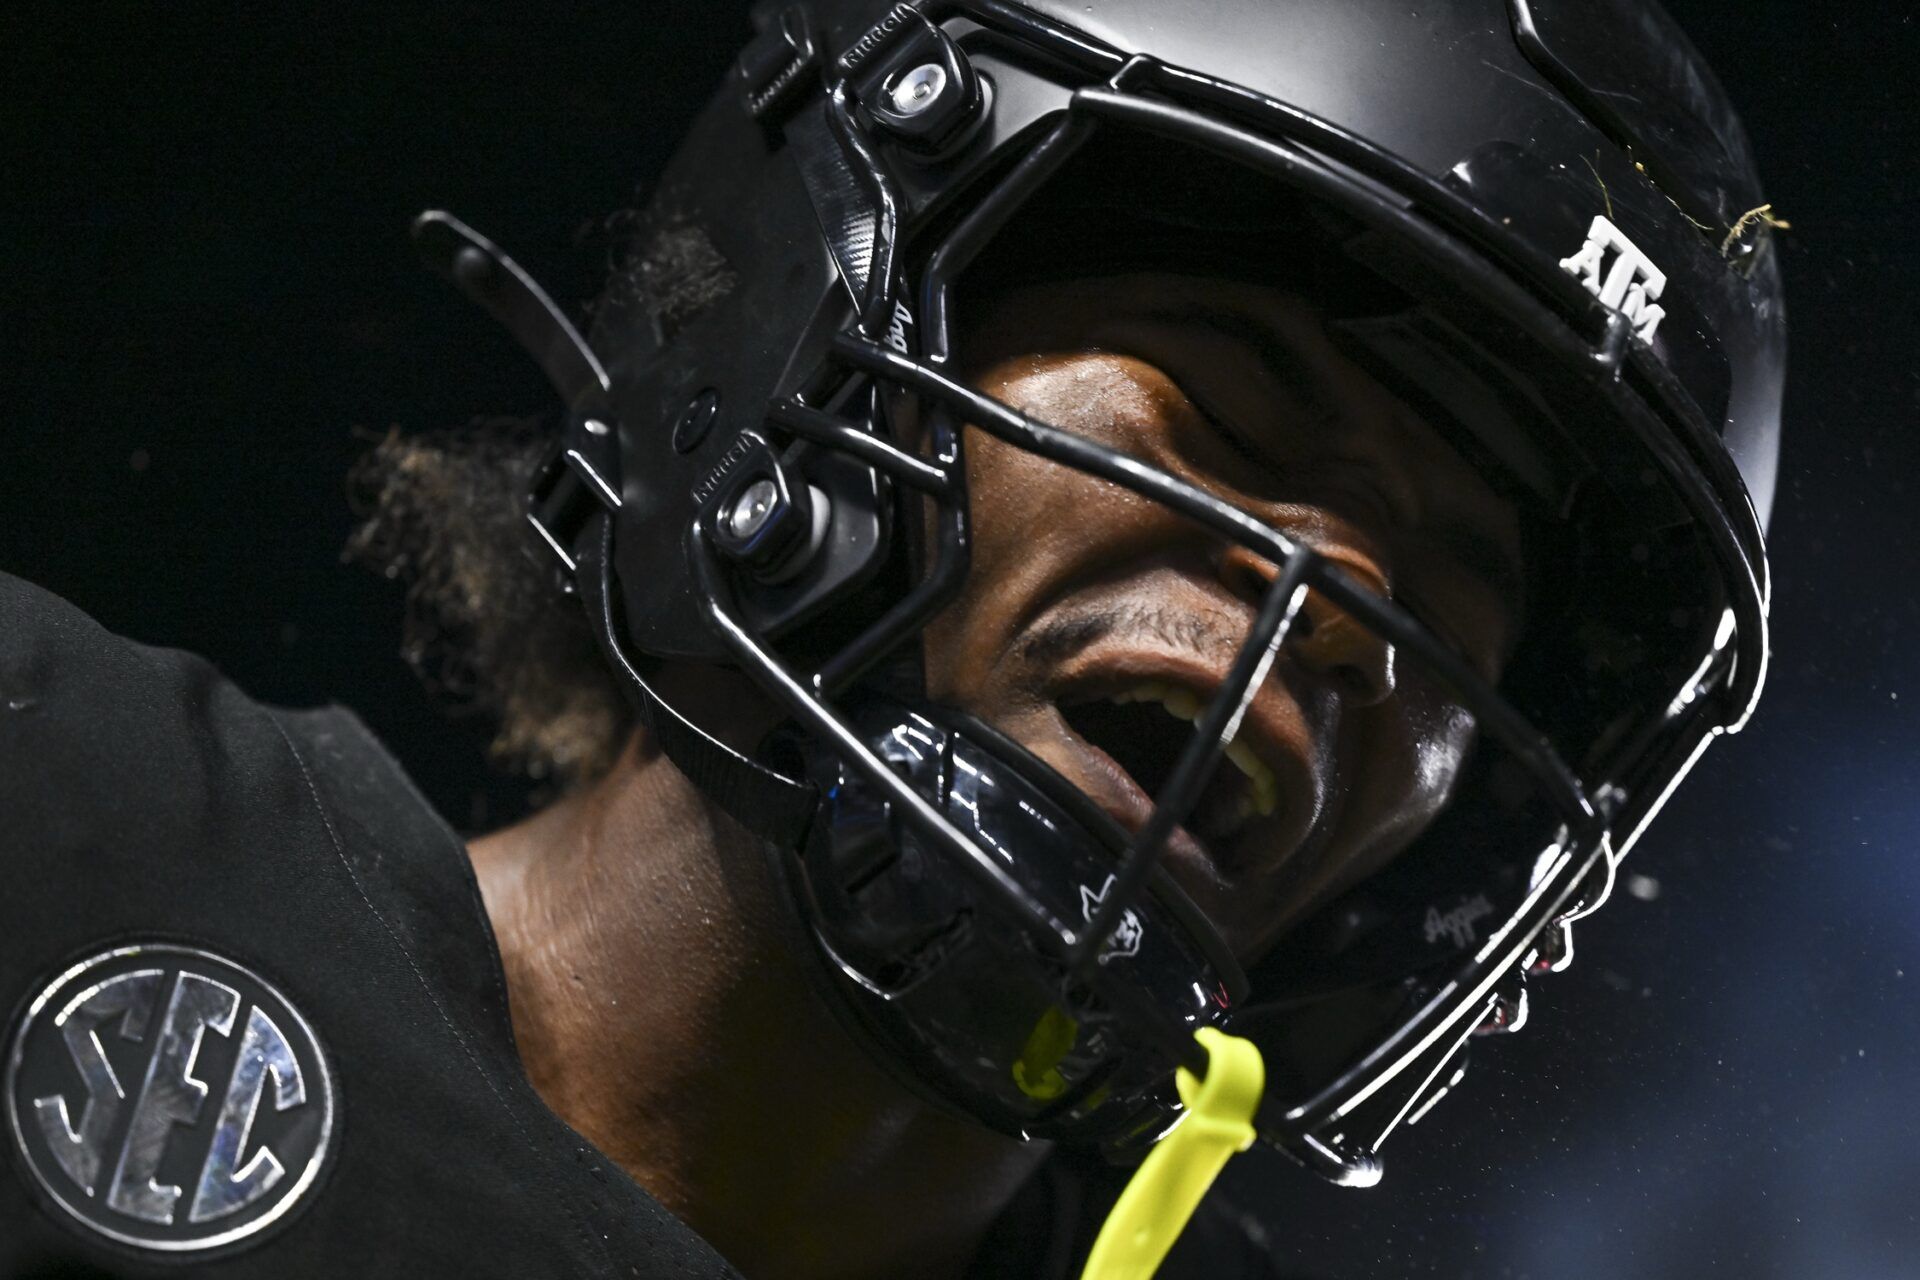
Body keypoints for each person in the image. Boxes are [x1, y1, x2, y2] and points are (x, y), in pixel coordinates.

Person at [0, 1, 1785, 1277]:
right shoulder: (54, 824)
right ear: (788, 340)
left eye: (1445, 592)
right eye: (1236, 416)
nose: (1332, 602)